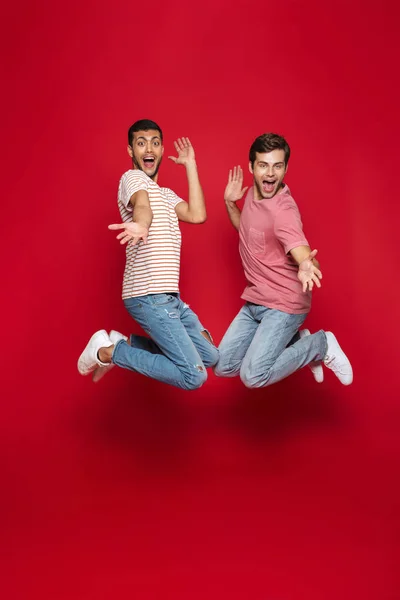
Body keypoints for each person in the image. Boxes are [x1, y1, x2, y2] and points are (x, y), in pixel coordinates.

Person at [78, 119, 218, 389]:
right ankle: (107, 352)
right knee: (195, 376)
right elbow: (143, 205)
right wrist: (141, 224)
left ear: (163, 150)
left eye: (154, 142)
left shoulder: (165, 193)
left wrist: (191, 166)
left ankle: (126, 345)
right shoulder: (132, 179)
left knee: (211, 356)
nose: (148, 148)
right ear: (131, 150)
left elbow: (197, 214)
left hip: (169, 297)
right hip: (148, 295)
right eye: (141, 143)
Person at [214, 132, 353, 387]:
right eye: (263, 165)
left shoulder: (283, 212)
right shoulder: (253, 195)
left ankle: (320, 344)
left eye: (277, 166)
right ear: (251, 167)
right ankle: (297, 343)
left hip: (284, 304)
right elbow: (247, 231)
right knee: (224, 365)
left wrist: (306, 264)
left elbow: (302, 252)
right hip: (257, 299)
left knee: (252, 376)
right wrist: (229, 202)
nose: (270, 174)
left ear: (286, 168)